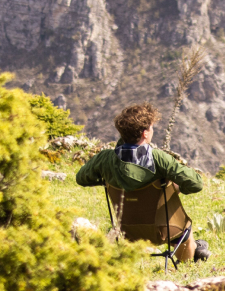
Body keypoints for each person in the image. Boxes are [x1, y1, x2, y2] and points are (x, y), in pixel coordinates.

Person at [76, 104, 209, 262]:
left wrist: (108, 180)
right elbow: (196, 183)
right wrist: (176, 188)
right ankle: (189, 260)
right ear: (145, 133)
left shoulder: (105, 159)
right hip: (164, 231)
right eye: (151, 128)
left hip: (128, 232)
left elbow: (81, 178)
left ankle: (195, 249)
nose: (153, 131)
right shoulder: (158, 158)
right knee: (184, 229)